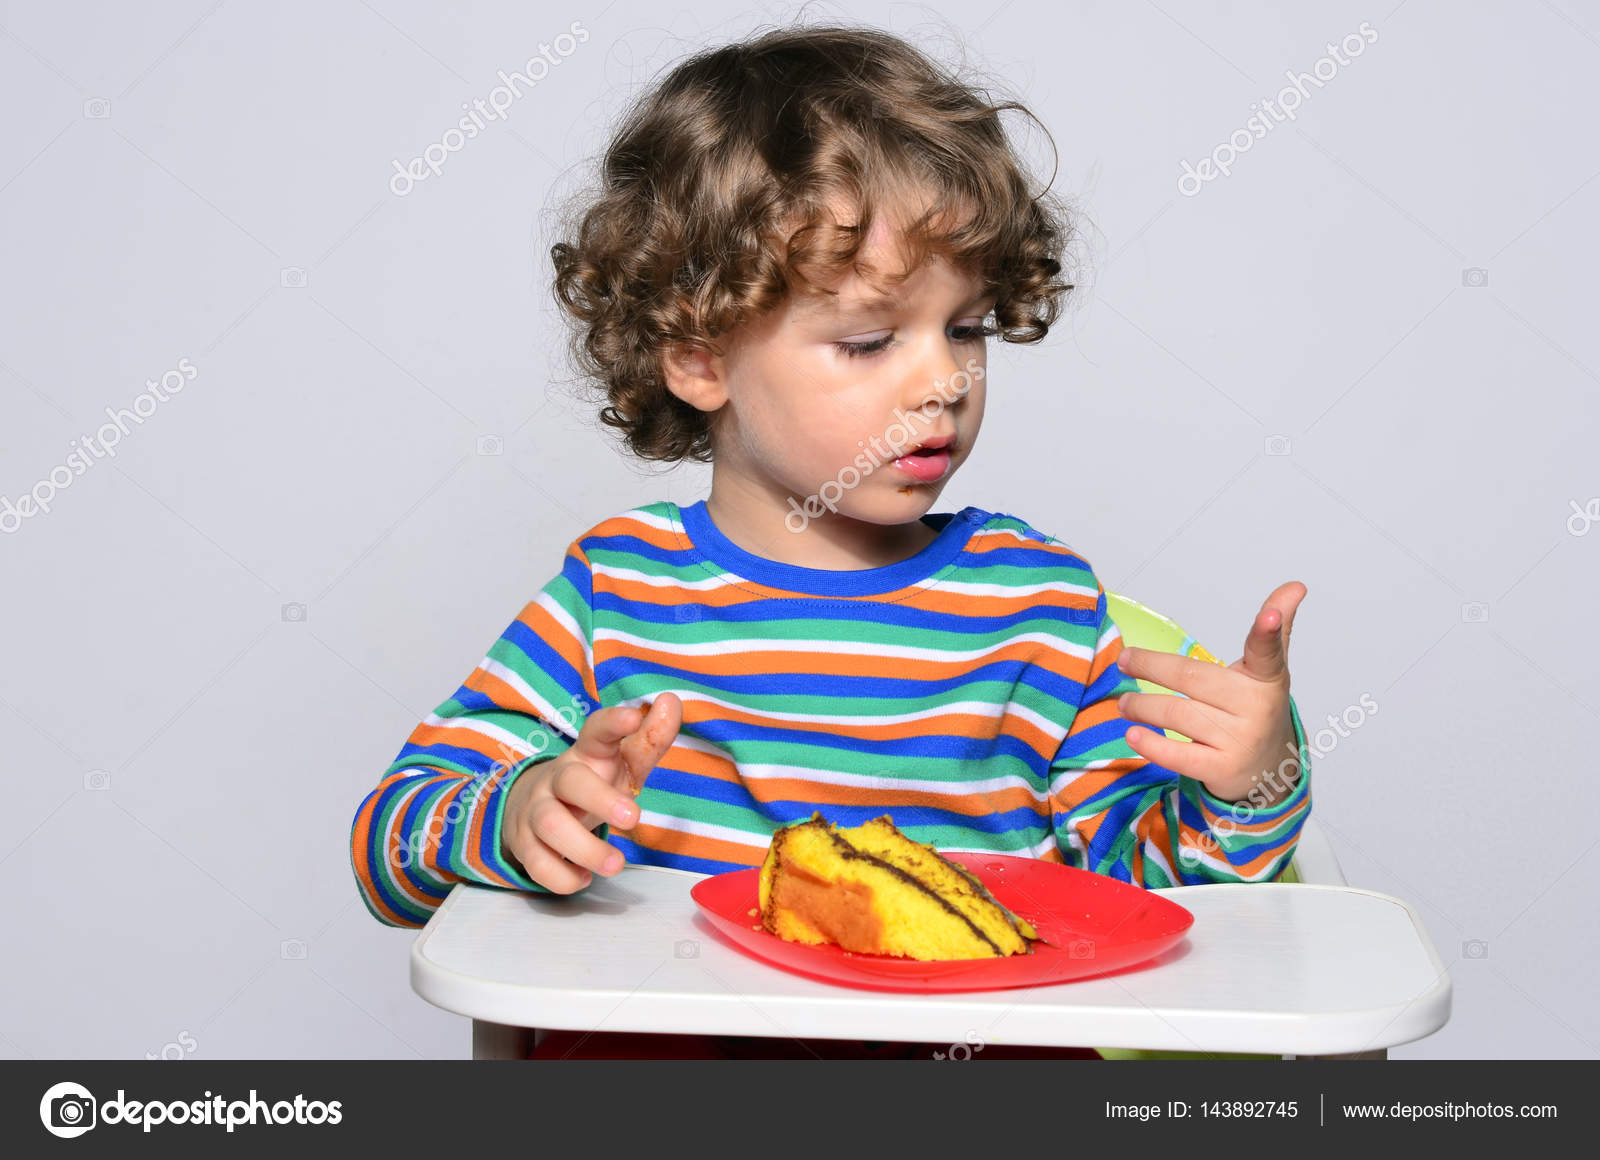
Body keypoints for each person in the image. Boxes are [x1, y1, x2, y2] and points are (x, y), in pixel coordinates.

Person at [350, 23, 1312, 1061]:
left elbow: (1148, 903)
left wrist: (1249, 784)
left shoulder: (1037, 608)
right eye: (867, 339)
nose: (942, 378)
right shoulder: (614, 595)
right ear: (699, 358)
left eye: (967, 328)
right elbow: (388, 849)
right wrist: (515, 814)